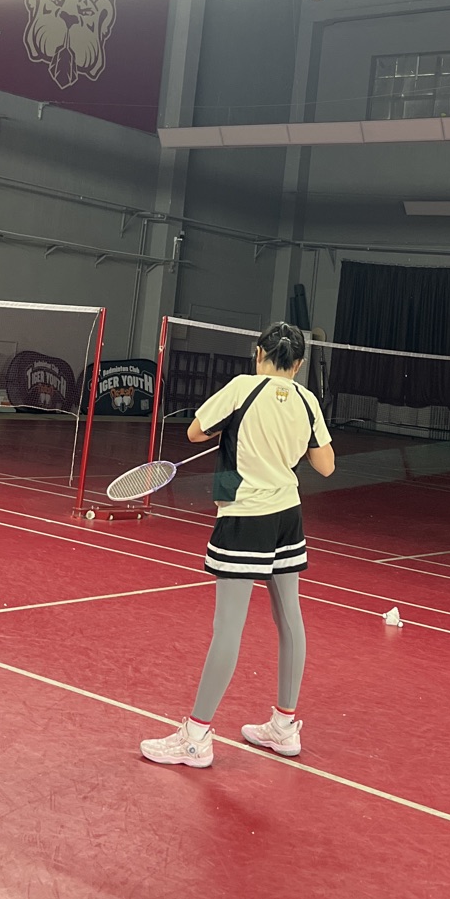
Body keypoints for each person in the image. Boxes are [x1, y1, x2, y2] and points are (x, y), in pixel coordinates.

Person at [140, 320, 334, 769]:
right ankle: (284, 726)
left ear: (258, 354)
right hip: (288, 515)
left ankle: (195, 737)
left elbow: (195, 432)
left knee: (228, 628)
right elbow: (325, 465)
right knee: (289, 618)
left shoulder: (242, 388)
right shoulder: (307, 400)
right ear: (299, 364)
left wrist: (233, 430)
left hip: (245, 516)